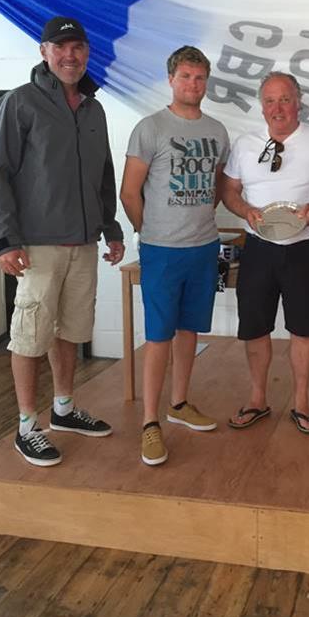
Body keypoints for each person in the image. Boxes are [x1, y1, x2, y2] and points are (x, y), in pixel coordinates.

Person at [0, 16, 125, 467]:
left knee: (70, 331)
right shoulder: (20, 103)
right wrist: (5, 240)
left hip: (82, 244)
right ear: (44, 52)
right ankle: (27, 424)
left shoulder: (93, 109)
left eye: (78, 48)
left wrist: (112, 227)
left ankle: (63, 408)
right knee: (29, 336)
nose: (70, 56)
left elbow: (103, 175)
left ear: (86, 53)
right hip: (37, 245)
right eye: (61, 48)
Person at [121, 46, 230, 466]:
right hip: (161, 250)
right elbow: (129, 192)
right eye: (186, 76)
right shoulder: (150, 129)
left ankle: (179, 404)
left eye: (200, 77)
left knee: (189, 331)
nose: (193, 84)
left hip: (203, 247)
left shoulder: (217, 131)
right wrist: (149, 232)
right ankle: (151, 422)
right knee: (159, 336)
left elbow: (218, 187)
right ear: (171, 79)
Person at [222, 72, 309, 433]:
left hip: (305, 247)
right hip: (258, 248)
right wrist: (245, 211)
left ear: (299, 101)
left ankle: (302, 403)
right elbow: (229, 190)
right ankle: (257, 399)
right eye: (270, 101)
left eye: (285, 99)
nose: (278, 108)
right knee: (255, 327)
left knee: (304, 329)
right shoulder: (245, 144)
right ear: (262, 106)